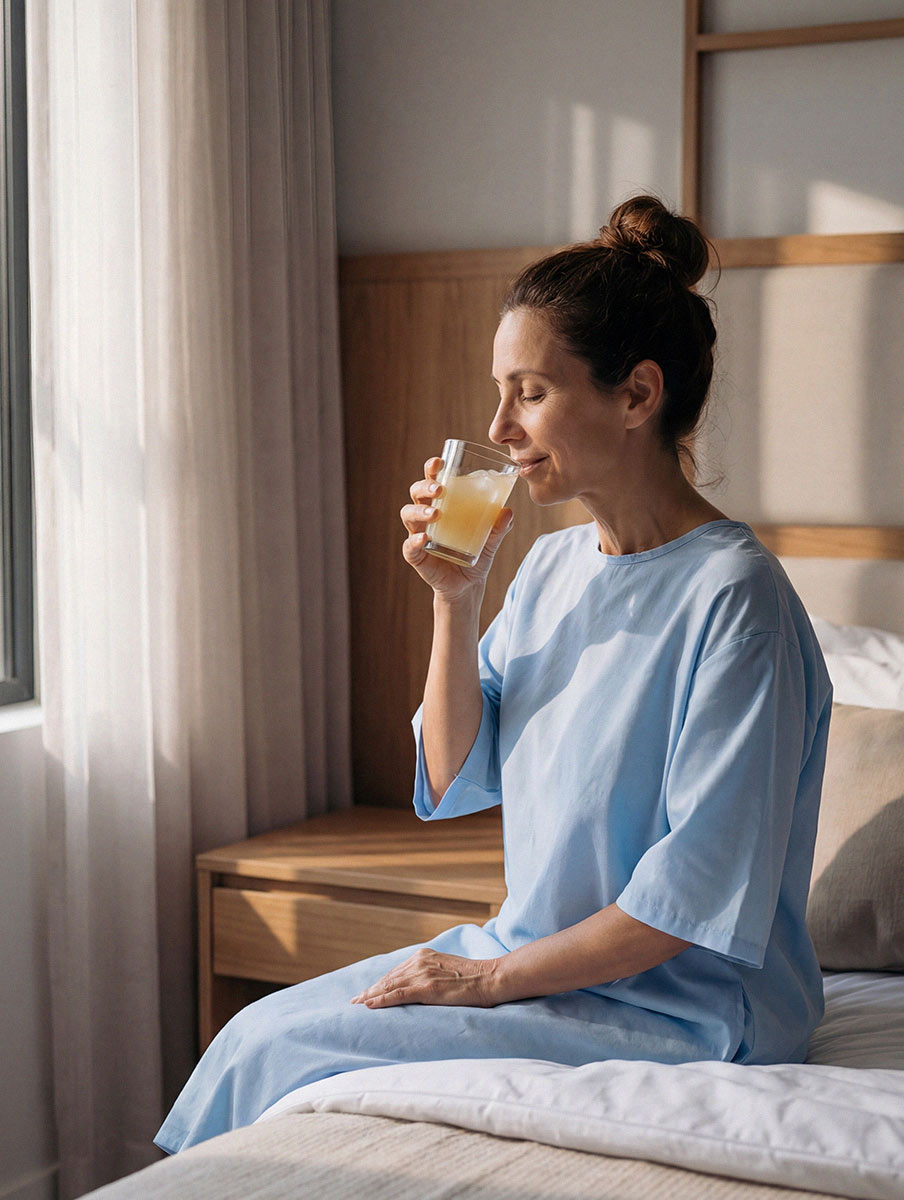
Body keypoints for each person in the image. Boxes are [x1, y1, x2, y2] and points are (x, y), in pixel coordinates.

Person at [154, 195, 833, 1155]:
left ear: (637, 395)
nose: (499, 426)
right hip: (530, 960)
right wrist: (455, 598)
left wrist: (483, 982)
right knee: (253, 1037)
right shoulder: (552, 565)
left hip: (684, 1004)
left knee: (282, 1048)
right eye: (499, 392)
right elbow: (453, 775)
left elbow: (690, 901)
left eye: (530, 392)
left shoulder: (737, 598)